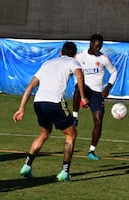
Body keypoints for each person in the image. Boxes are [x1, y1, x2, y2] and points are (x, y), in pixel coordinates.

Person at [13, 41, 89, 182]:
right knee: (71, 134)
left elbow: (30, 87)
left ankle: (27, 166)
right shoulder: (73, 62)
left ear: (60, 52)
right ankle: (64, 172)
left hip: (39, 102)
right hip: (54, 102)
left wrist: (21, 108)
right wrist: (83, 97)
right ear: (75, 54)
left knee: (44, 133)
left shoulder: (47, 63)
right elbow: (79, 76)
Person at [72, 33, 118, 160]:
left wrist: (108, 87)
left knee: (98, 121)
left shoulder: (104, 59)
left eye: (100, 47)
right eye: (96, 46)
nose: (97, 49)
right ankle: (75, 117)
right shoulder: (80, 57)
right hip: (84, 88)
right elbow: (69, 68)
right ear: (90, 44)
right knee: (78, 87)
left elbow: (114, 72)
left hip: (97, 92)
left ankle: (91, 151)